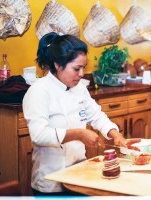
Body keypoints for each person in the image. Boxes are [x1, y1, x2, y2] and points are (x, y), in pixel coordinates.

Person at [22, 32, 127, 196]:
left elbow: (96, 115)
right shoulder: (38, 91)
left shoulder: (79, 88)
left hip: (78, 175)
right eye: (76, 68)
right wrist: (79, 133)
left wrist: (115, 134)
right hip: (51, 182)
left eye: (83, 68)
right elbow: (39, 135)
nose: (81, 74)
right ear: (58, 65)